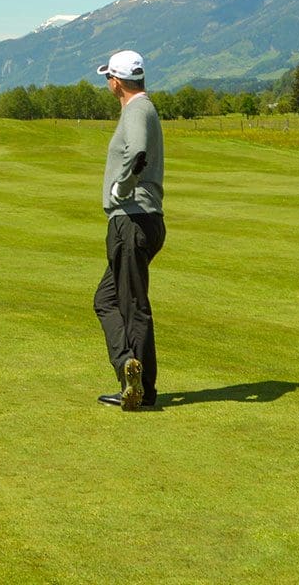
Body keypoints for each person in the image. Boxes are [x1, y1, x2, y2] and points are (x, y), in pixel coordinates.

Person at [92, 50, 165, 411]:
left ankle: (139, 388)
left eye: (108, 77)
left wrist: (122, 186)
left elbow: (137, 152)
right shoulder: (141, 108)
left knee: (132, 304)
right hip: (140, 221)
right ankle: (128, 367)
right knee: (107, 300)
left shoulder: (136, 109)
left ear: (116, 81)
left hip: (131, 220)